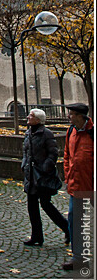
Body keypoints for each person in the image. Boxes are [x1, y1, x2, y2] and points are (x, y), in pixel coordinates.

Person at [21, 108, 69, 247]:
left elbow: (53, 153)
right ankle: (37, 236)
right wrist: (24, 165)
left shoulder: (46, 134)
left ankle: (67, 229)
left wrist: (44, 168)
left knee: (46, 205)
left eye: (31, 115)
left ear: (38, 120)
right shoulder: (28, 133)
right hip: (31, 175)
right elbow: (26, 152)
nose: (28, 117)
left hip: (42, 176)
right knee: (32, 207)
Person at [62, 102, 94, 271]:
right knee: (75, 220)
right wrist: (68, 174)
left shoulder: (93, 132)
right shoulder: (71, 132)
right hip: (77, 185)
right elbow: (67, 155)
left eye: (72, 114)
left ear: (81, 116)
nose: (69, 116)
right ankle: (78, 258)